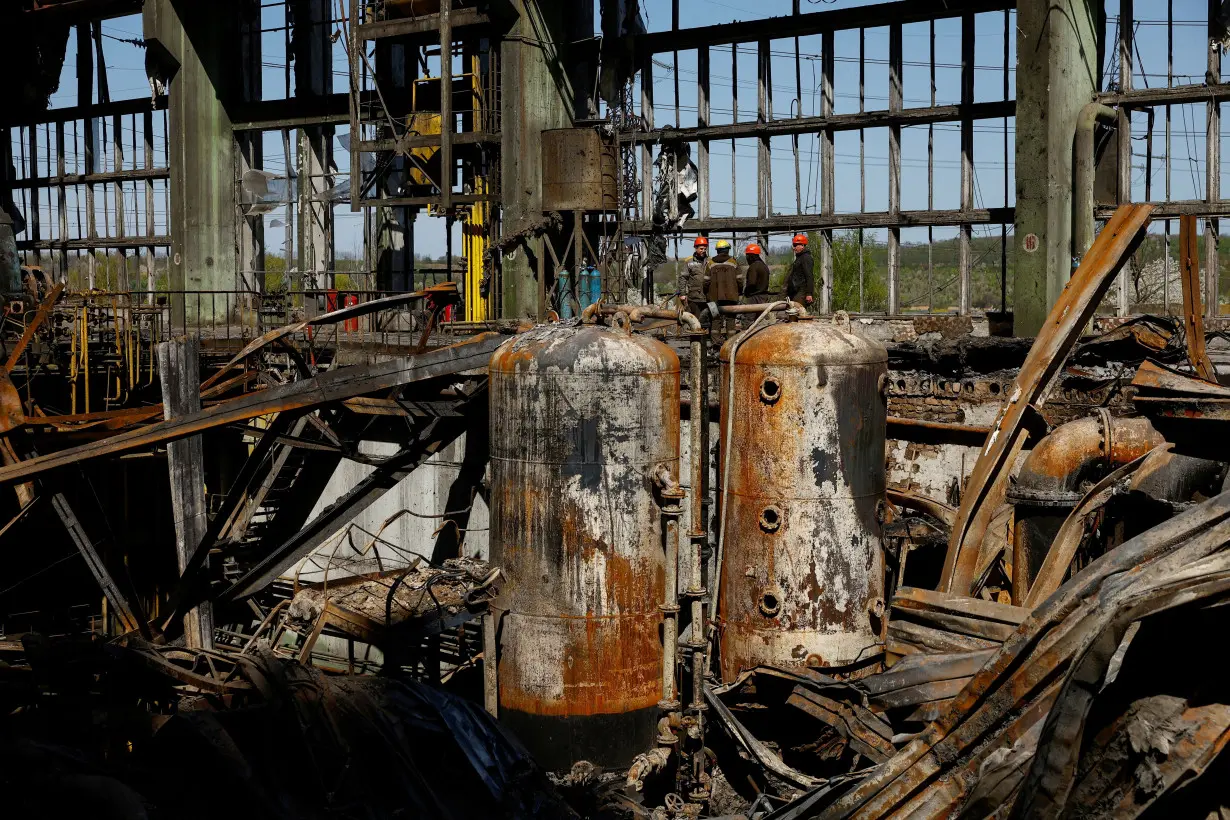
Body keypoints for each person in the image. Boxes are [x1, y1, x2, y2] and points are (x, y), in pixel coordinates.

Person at [705, 239, 742, 334]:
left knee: (715, 320)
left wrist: (707, 293)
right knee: (730, 320)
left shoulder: (710, 263)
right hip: (731, 296)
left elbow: (706, 281)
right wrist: (739, 291)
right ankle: (730, 343)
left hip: (714, 297)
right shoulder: (733, 262)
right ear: (727, 250)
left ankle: (715, 344)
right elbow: (739, 280)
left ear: (717, 250)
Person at [786, 233, 815, 311]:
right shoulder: (799, 258)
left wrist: (809, 294)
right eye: (793, 245)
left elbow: (809, 276)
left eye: (796, 245)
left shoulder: (806, 258)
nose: (794, 248)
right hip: (796, 291)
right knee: (793, 313)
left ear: (802, 245)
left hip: (802, 291)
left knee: (798, 313)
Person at [679, 236, 708, 309]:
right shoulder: (689, 261)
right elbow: (683, 278)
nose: (703, 251)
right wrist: (682, 294)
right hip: (694, 297)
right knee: (695, 319)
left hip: (707, 297)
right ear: (696, 248)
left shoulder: (709, 261)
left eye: (705, 249)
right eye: (701, 249)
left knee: (706, 319)